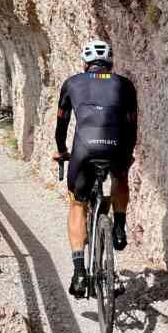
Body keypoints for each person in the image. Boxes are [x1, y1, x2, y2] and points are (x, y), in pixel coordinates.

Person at [52, 39, 138, 298]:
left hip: (84, 149)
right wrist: (127, 156)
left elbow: (61, 125)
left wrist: (61, 151)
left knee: (77, 204)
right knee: (120, 177)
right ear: (110, 63)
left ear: (85, 63)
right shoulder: (125, 85)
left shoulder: (72, 83)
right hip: (116, 147)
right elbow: (131, 127)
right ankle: (119, 226)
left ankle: (79, 273)